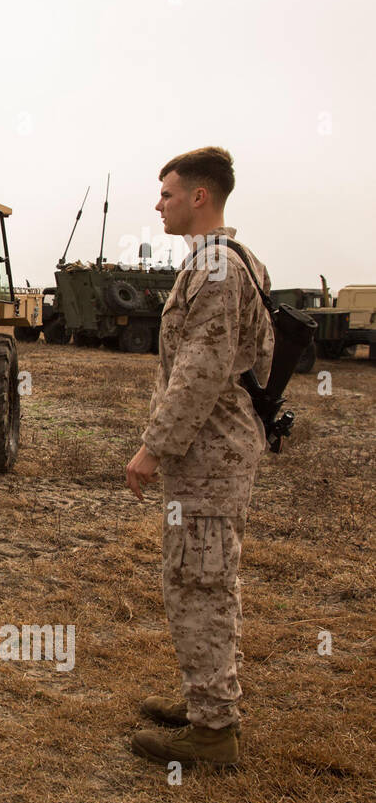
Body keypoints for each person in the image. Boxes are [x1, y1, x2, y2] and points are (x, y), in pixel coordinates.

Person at [125, 146, 273, 768]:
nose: (158, 205)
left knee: (201, 581)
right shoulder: (237, 262)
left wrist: (151, 450)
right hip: (212, 454)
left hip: (207, 457)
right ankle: (205, 701)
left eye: (166, 194)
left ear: (199, 198)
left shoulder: (215, 269)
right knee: (205, 578)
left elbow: (200, 372)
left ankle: (213, 731)